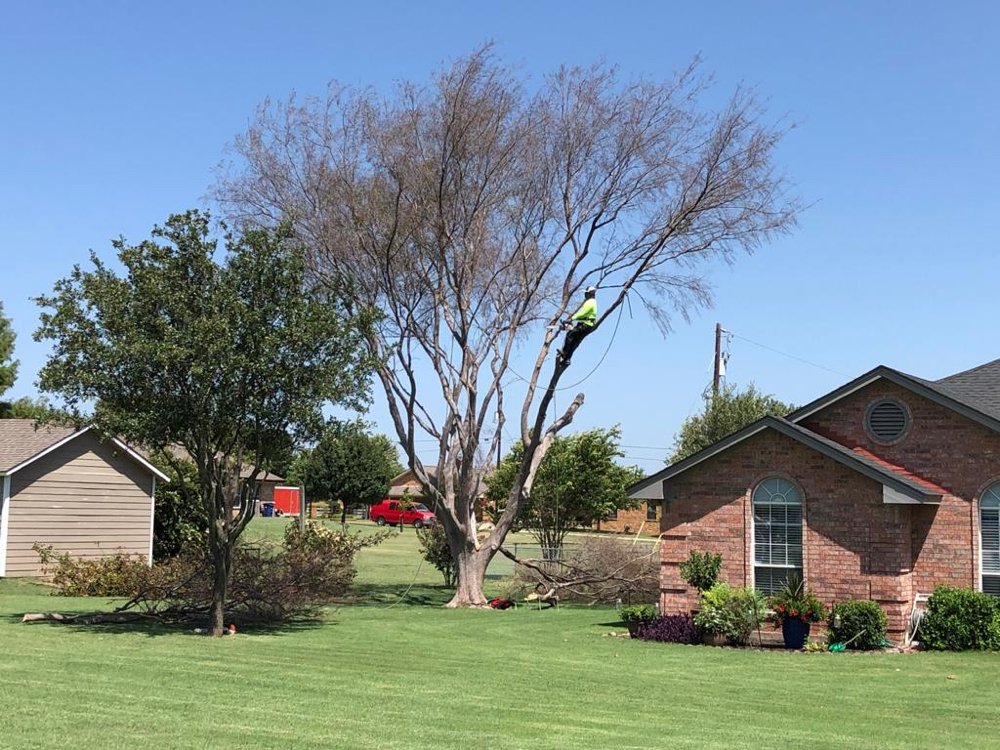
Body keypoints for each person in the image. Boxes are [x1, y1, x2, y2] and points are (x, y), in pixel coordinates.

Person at [556, 286, 597, 366]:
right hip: (586, 324)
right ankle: (566, 359)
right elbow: (583, 315)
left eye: (586, 293)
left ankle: (564, 352)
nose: (585, 294)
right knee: (573, 342)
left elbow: (582, 313)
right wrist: (573, 319)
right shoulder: (591, 302)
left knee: (570, 335)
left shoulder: (590, 302)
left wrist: (572, 319)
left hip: (585, 325)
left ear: (589, 293)